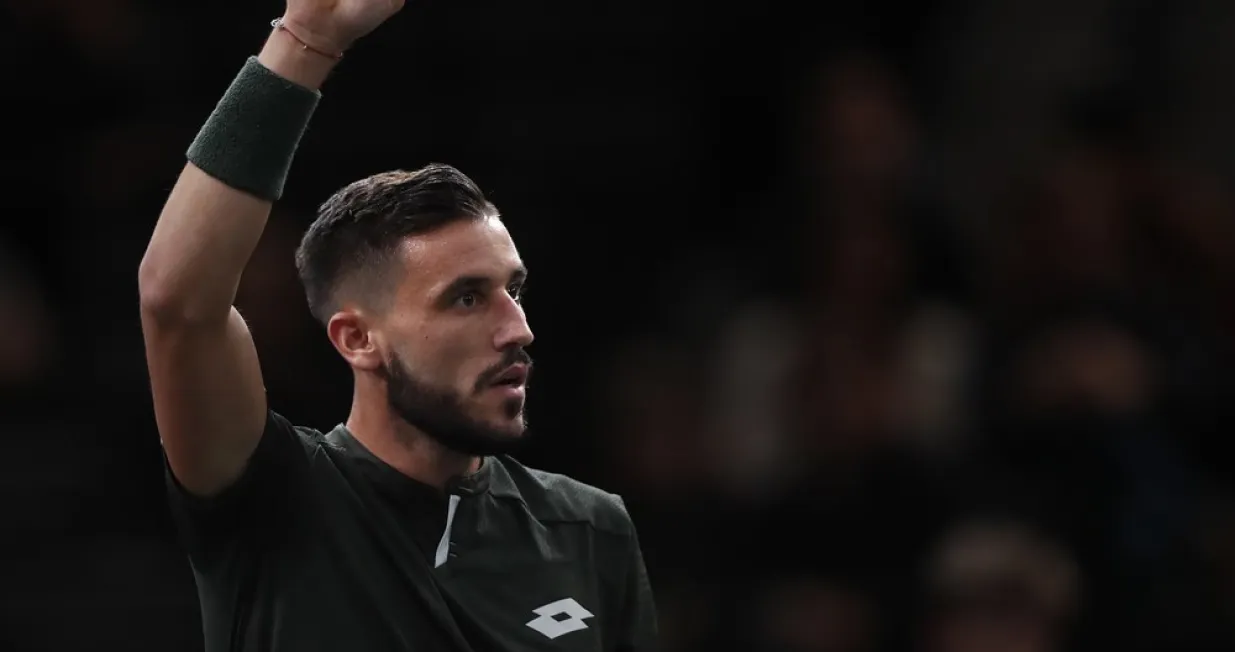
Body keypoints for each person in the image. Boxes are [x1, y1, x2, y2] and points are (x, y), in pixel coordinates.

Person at [137, 1, 658, 650]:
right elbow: (176, 301)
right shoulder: (275, 498)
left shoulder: (590, 528)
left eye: (513, 289)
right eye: (466, 298)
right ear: (357, 339)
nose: (517, 327)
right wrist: (306, 39)